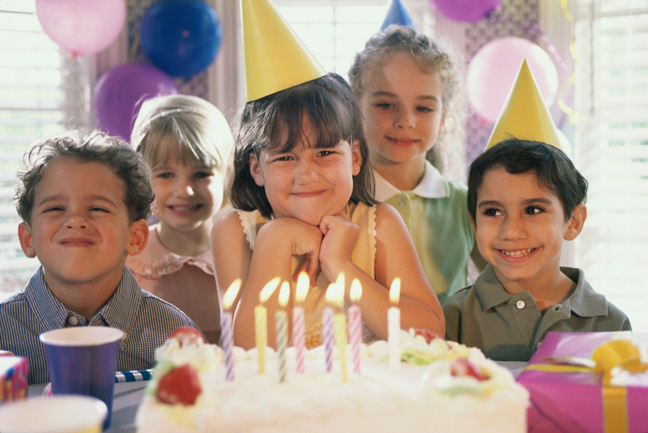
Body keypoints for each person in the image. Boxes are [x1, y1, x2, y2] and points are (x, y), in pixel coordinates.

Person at [211, 73, 445, 349]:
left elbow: (429, 335)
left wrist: (341, 266)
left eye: (324, 153)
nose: (306, 174)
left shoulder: (379, 225)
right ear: (256, 169)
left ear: (354, 158)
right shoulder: (235, 230)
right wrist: (274, 240)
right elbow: (249, 355)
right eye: (285, 156)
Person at [0, 130, 200, 384]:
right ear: (28, 239)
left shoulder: (176, 336)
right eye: (55, 208)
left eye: (97, 208)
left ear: (135, 237)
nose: (75, 221)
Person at [443, 139, 631, 362]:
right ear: (474, 224)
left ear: (573, 222)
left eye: (533, 210)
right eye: (493, 212)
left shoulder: (612, 325)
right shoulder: (452, 318)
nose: (512, 232)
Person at [349, 25, 484, 304]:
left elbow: (508, 281)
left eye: (423, 108)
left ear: (443, 118)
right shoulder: (341, 201)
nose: (405, 121)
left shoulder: (466, 204)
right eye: (386, 105)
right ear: (355, 108)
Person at [127, 94, 234, 344]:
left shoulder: (244, 253)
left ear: (227, 176)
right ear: (141, 180)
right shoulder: (129, 261)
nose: (184, 190)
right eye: (165, 174)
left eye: (201, 174)